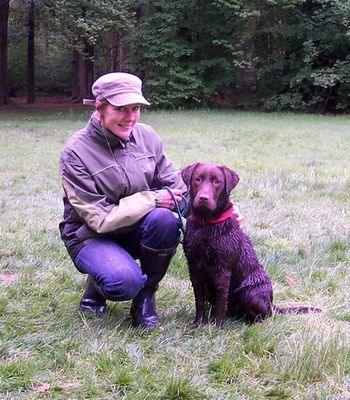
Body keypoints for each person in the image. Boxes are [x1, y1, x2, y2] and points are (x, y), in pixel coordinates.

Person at [59, 72, 186, 329]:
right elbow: (100, 219)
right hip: (90, 235)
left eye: (136, 108)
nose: (130, 118)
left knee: (165, 221)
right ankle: (100, 284)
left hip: (135, 228)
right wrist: (152, 198)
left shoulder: (147, 136)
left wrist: (224, 211)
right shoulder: (75, 152)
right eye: (120, 109)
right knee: (122, 282)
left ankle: (146, 295)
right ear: (100, 108)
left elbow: (177, 189)